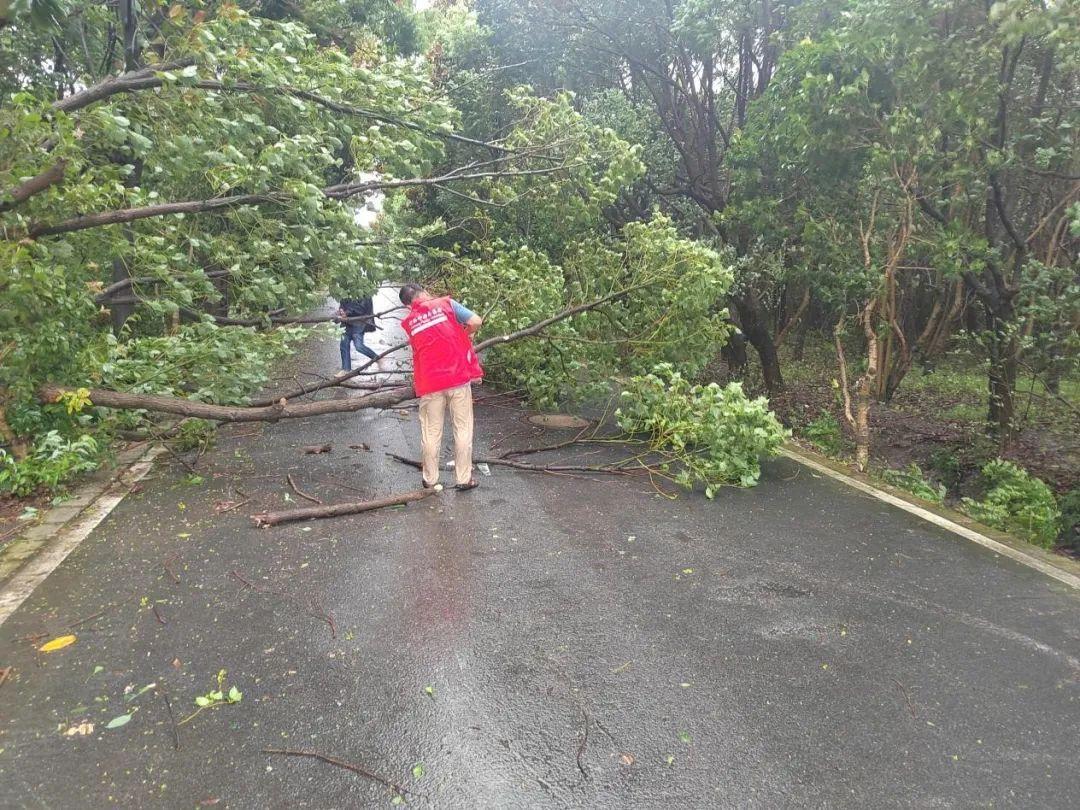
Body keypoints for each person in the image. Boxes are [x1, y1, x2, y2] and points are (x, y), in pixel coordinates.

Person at [399, 283, 483, 491]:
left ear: (408, 305)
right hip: (457, 378)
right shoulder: (447, 304)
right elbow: (475, 321)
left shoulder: (409, 322)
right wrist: (466, 333)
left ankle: (430, 479)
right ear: (424, 292)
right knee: (462, 429)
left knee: (431, 432)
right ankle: (463, 479)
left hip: (429, 382)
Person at [335, 296, 381, 377]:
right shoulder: (345, 288)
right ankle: (346, 369)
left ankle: (377, 358)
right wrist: (341, 310)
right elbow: (343, 301)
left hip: (358, 323)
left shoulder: (364, 292)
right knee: (344, 345)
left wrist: (347, 313)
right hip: (346, 322)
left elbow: (362, 308)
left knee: (359, 346)